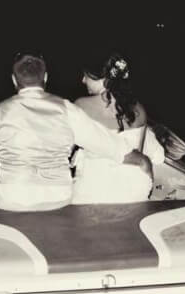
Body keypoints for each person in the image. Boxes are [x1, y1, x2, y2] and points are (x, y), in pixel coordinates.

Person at [0, 51, 148, 211]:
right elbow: (104, 142)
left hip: (12, 196)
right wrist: (139, 159)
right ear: (46, 77)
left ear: (14, 80)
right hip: (59, 195)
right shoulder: (67, 109)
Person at [71, 52, 165, 204]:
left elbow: (65, 148)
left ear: (103, 78)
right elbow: (138, 154)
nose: (83, 80)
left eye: (86, 76)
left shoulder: (81, 105)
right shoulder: (139, 109)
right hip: (134, 188)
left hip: (95, 189)